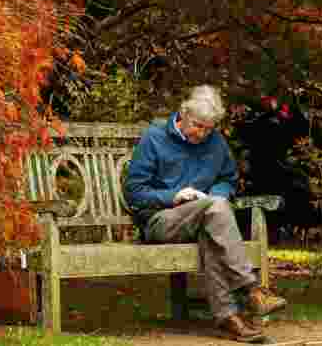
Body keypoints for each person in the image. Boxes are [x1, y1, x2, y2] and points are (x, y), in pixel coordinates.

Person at [123, 85, 287, 343]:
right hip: (160, 221)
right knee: (216, 211)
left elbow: (227, 179)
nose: (202, 134)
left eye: (209, 128)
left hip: (207, 219)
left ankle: (228, 318)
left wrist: (218, 195)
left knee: (213, 220)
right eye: (198, 126)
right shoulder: (154, 138)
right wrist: (173, 196)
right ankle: (250, 288)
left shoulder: (215, 142)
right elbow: (134, 193)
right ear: (183, 114)